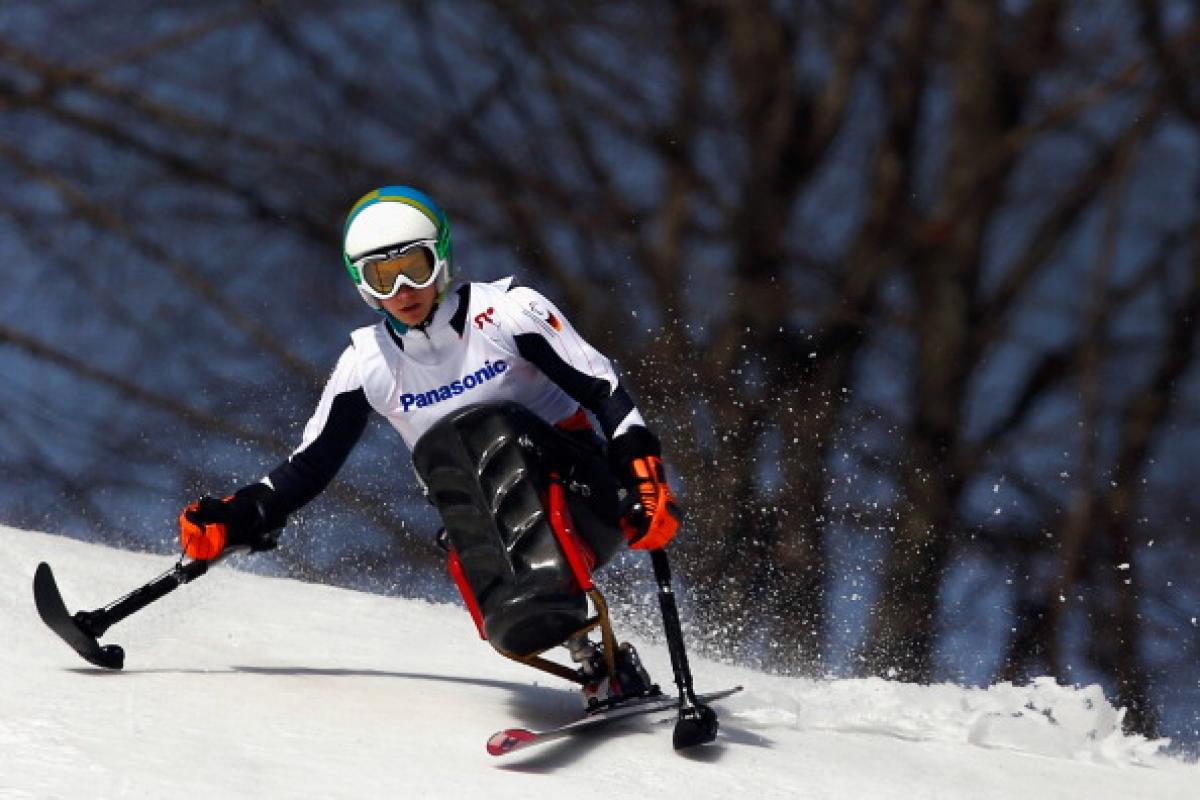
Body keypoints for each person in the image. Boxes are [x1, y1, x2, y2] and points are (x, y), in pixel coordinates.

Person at [179, 185, 683, 707]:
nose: (402, 288)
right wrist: (234, 516)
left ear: (440, 256)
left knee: (485, 428)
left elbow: (603, 390)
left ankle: (570, 623)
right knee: (450, 459)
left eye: (414, 266)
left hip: (583, 497)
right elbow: (307, 467)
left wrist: (642, 476)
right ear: (363, 285)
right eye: (382, 276)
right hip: (490, 532)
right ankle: (594, 661)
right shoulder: (368, 363)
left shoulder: (507, 314)